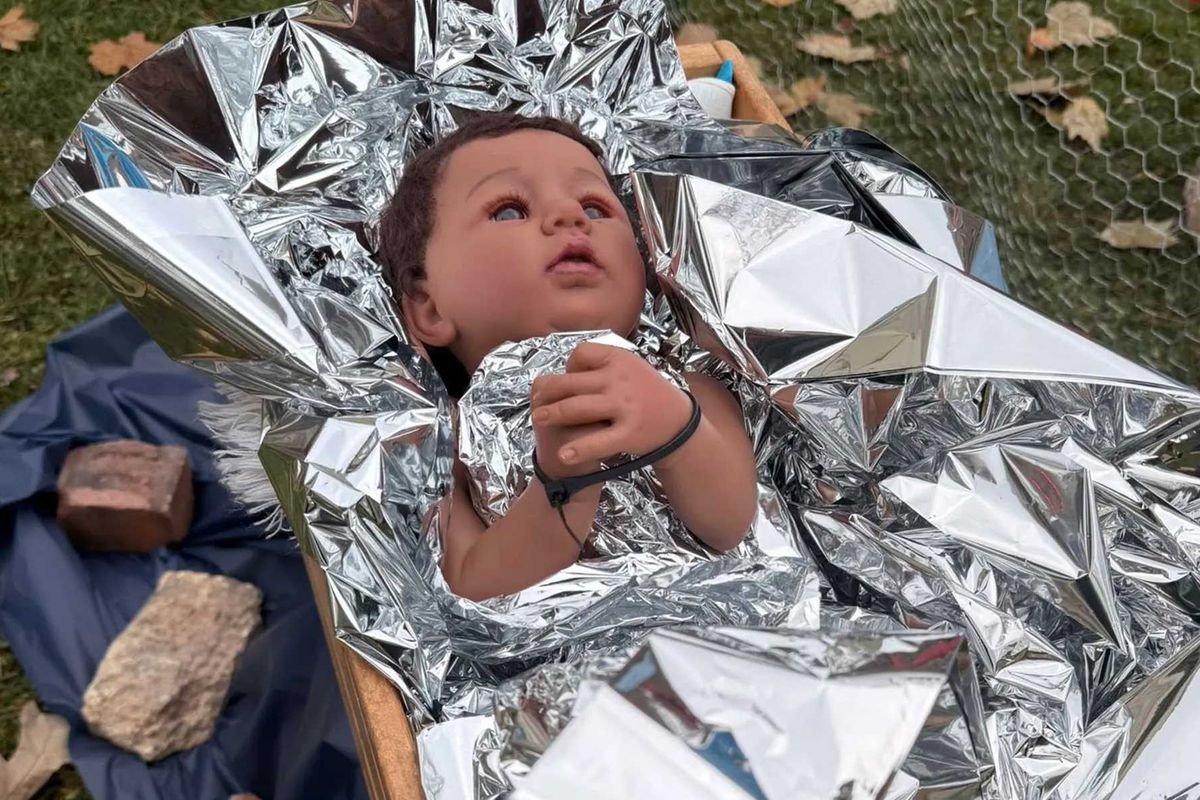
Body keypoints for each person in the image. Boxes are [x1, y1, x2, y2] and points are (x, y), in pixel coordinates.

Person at [378, 113, 758, 601]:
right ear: (428, 307)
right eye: (511, 210)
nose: (569, 216)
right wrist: (563, 486)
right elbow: (470, 583)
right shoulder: (440, 438)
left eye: (597, 207)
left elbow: (729, 526)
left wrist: (673, 426)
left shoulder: (689, 390)